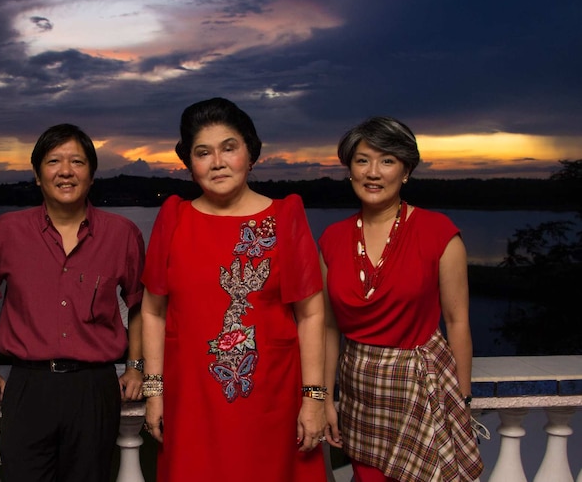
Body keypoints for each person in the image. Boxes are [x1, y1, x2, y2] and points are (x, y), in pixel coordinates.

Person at [141, 97, 328, 481]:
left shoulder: (284, 216)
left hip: (269, 400)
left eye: (229, 148)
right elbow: (152, 310)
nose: (218, 162)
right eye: (203, 153)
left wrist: (314, 398)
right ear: (190, 165)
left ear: (250, 153)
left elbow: (311, 314)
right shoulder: (174, 219)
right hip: (190, 401)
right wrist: (154, 390)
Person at [319, 117, 484, 481]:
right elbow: (329, 328)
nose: (373, 172)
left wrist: (464, 400)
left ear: (406, 170)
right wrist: (326, 398)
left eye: (387, 160)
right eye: (362, 160)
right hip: (358, 390)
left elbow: (457, 322)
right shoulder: (331, 239)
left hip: (418, 386)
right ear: (350, 169)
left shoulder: (439, 233)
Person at [0, 123, 145, 482]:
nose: (66, 171)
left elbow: (137, 304)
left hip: (94, 387)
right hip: (28, 384)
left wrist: (135, 367)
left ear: (91, 174)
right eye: (54, 161)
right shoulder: (6, 231)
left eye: (77, 161)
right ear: (38, 175)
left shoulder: (122, 234)